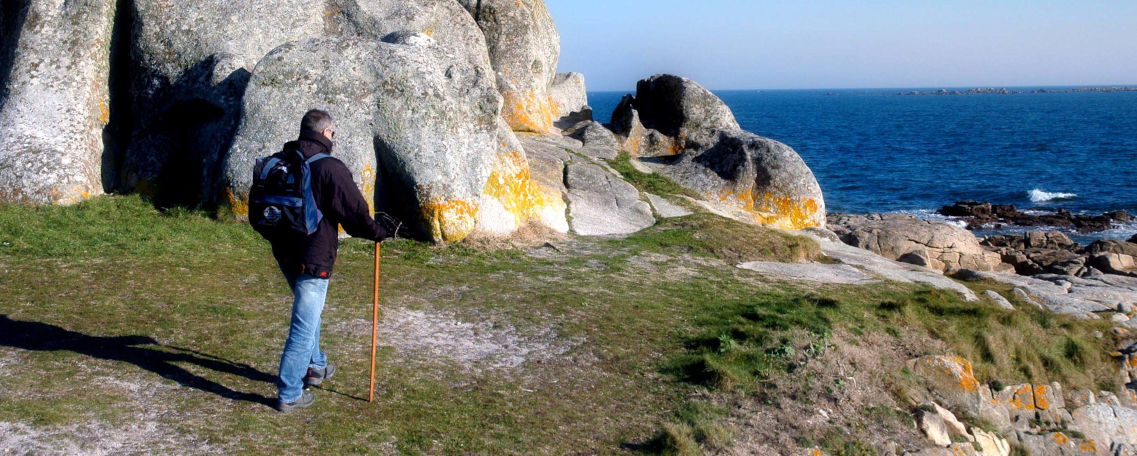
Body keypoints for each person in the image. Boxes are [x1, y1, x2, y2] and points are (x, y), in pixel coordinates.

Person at [269, 109, 394, 411]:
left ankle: (316, 365)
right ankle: (289, 393)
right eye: (333, 134)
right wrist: (380, 232)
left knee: (309, 314)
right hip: (313, 256)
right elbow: (355, 214)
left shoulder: (281, 160)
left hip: (284, 250)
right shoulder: (329, 167)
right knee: (303, 323)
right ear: (325, 133)